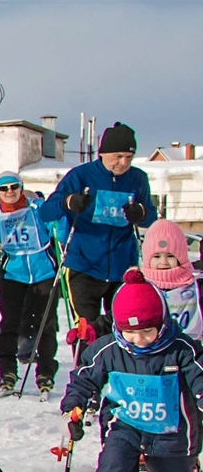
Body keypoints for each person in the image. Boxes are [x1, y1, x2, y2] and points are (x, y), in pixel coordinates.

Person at [62, 269, 203, 472]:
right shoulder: (108, 350)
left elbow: (199, 375)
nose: (138, 340)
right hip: (123, 427)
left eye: (148, 332)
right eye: (129, 333)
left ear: (162, 323)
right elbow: (83, 379)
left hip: (170, 431)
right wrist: (74, 408)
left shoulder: (181, 349)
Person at [41, 122, 156, 346]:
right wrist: (69, 201)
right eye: (118, 156)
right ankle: (85, 376)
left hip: (123, 268)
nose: (123, 163)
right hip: (84, 266)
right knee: (87, 331)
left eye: (129, 158)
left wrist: (140, 212)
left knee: (127, 327)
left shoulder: (137, 178)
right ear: (103, 153)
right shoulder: (81, 176)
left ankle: (120, 376)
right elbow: (47, 211)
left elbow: (151, 215)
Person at [0, 173, 62, 394]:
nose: (10, 192)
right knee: (10, 324)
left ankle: (45, 372)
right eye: (4, 188)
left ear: (21, 187)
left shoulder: (37, 208)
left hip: (43, 272)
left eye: (14, 187)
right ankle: (7, 370)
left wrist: (60, 213)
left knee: (46, 324)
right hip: (13, 274)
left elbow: (60, 230)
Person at [145, 221, 200, 341]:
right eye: (157, 256)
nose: (163, 262)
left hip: (189, 351)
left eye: (170, 256)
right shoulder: (140, 287)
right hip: (152, 353)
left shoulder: (196, 287)